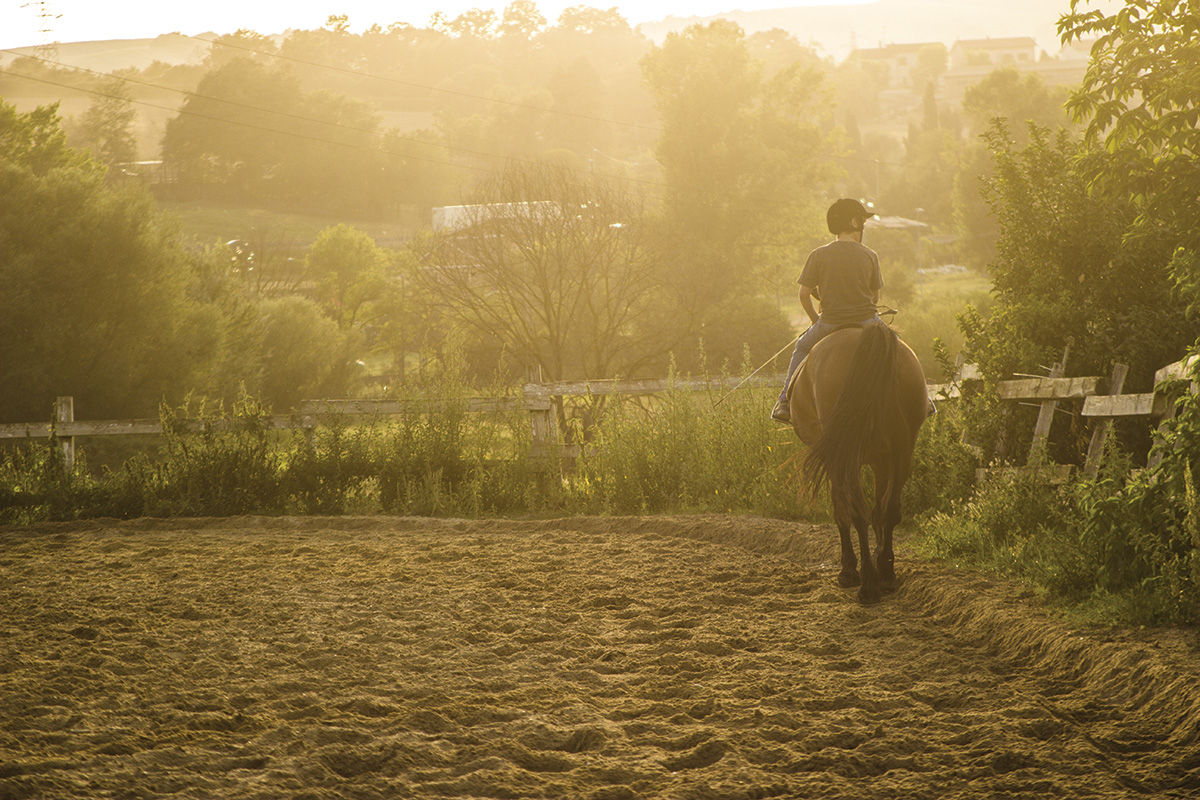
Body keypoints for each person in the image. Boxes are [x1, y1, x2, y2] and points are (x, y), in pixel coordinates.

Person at [771, 198, 884, 423]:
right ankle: (924, 399)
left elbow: (804, 294)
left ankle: (784, 402)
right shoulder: (870, 255)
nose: (863, 226)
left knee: (802, 347)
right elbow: (875, 297)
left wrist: (815, 319)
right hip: (867, 322)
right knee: (898, 346)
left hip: (830, 322)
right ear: (853, 222)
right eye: (861, 221)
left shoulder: (819, 255)